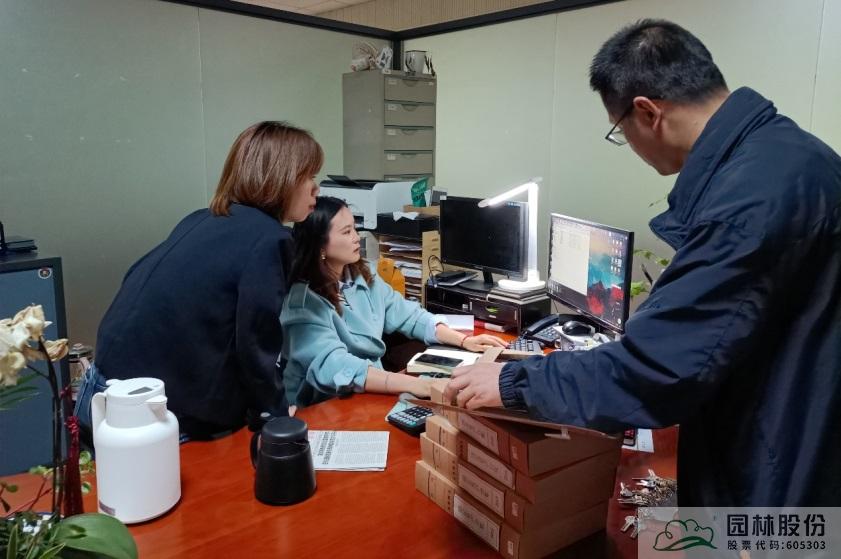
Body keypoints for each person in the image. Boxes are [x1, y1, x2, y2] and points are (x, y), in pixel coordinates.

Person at [445, 19, 841, 507]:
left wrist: (513, 383)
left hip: (776, 485)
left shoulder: (750, 201)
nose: (628, 145)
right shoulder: (791, 156)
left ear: (648, 112)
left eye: (620, 132)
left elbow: (661, 368)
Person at [76, 121, 323, 440]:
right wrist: (275, 417)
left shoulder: (203, 218)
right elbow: (256, 342)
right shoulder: (268, 239)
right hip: (152, 410)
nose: (316, 188)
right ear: (281, 179)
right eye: (309, 176)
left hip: (100, 388)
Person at [280, 196, 506, 407]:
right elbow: (336, 366)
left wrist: (464, 340)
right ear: (320, 246)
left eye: (355, 228)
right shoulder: (303, 303)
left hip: (368, 391)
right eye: (347, 232)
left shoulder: (363, 275)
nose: (356, 237)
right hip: (321, 405)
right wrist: (419, 385)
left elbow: (409, 315)